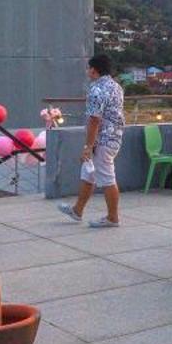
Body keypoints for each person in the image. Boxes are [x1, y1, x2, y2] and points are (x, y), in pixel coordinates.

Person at [61, 53, 126, 228]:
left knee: (107, 178)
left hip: (102, 140)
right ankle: (77, 210)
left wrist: (88, 146)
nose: (87, 71)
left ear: (94, 70)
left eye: (89, 68)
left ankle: (113, 217)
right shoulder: (116, 87)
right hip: (114, 137)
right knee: (88, 174)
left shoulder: (96, 89)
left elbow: (94, 119)